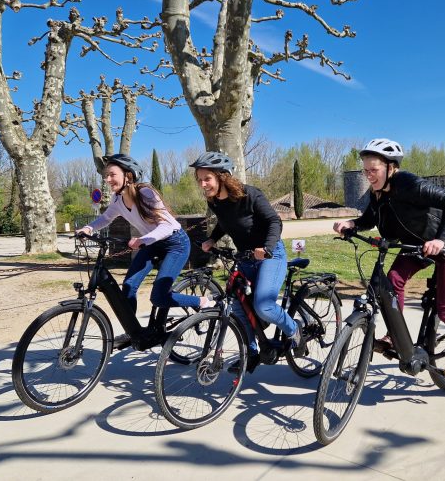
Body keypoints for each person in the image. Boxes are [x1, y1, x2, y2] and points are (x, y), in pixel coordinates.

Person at [333, 139, 445, 387]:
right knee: (392, 281)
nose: (369, 176)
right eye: (366, 170)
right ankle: (396, 338)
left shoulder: (408, 184)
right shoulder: (378, 191)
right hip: (418, 246)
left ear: (390, 167)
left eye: (374, 170)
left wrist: (441, 239)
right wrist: (352, 224)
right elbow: (370, 217)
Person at [77, 154, 209, 350]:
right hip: (152, 243)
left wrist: (142, 240)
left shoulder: (145, 193)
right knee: (129, 285)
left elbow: (166, 225)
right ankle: (134, 332)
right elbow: (105, 218)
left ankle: (203, 301)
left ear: (128, 175)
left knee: (158, 296)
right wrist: (88, 228)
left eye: (112, 175)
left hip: (175, 243)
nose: (107, 179)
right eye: (105, 176)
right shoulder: (117, 199)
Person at [190, 151, 302, 372]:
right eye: (200, 179)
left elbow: (274, 221)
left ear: (222, 177)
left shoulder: (250, 195)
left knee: (264, 305)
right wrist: (213, 238)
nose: (203, 184)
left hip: (270, 255)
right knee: (238, 306)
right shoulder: (214, 202)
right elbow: (225, 222)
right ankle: (251, 353)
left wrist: (267, 248)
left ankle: (294, 330)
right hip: (245, 258)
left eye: (207, 179)